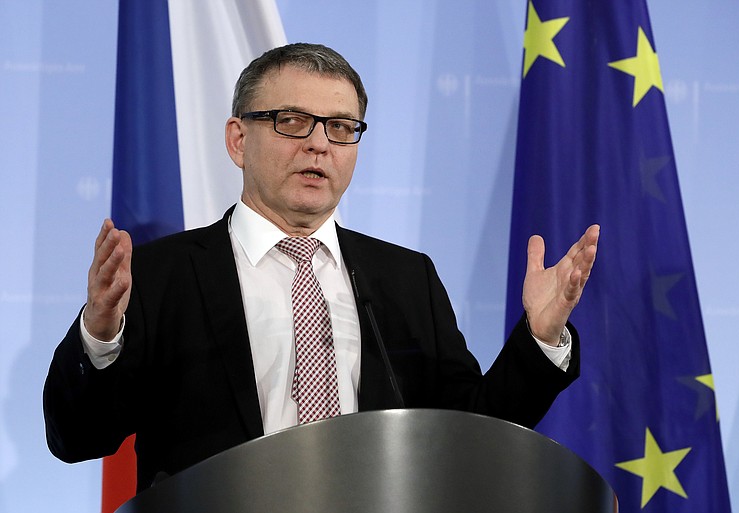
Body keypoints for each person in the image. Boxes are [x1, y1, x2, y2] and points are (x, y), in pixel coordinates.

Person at [44, 43, 600, 491]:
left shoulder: (406, 279)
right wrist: (98, 337)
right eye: (292, 122)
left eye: (340, 127)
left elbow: (471, 430)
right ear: (239, 139)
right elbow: (76, 438)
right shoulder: (162, 276)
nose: (318, 145)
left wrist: (540, 339)